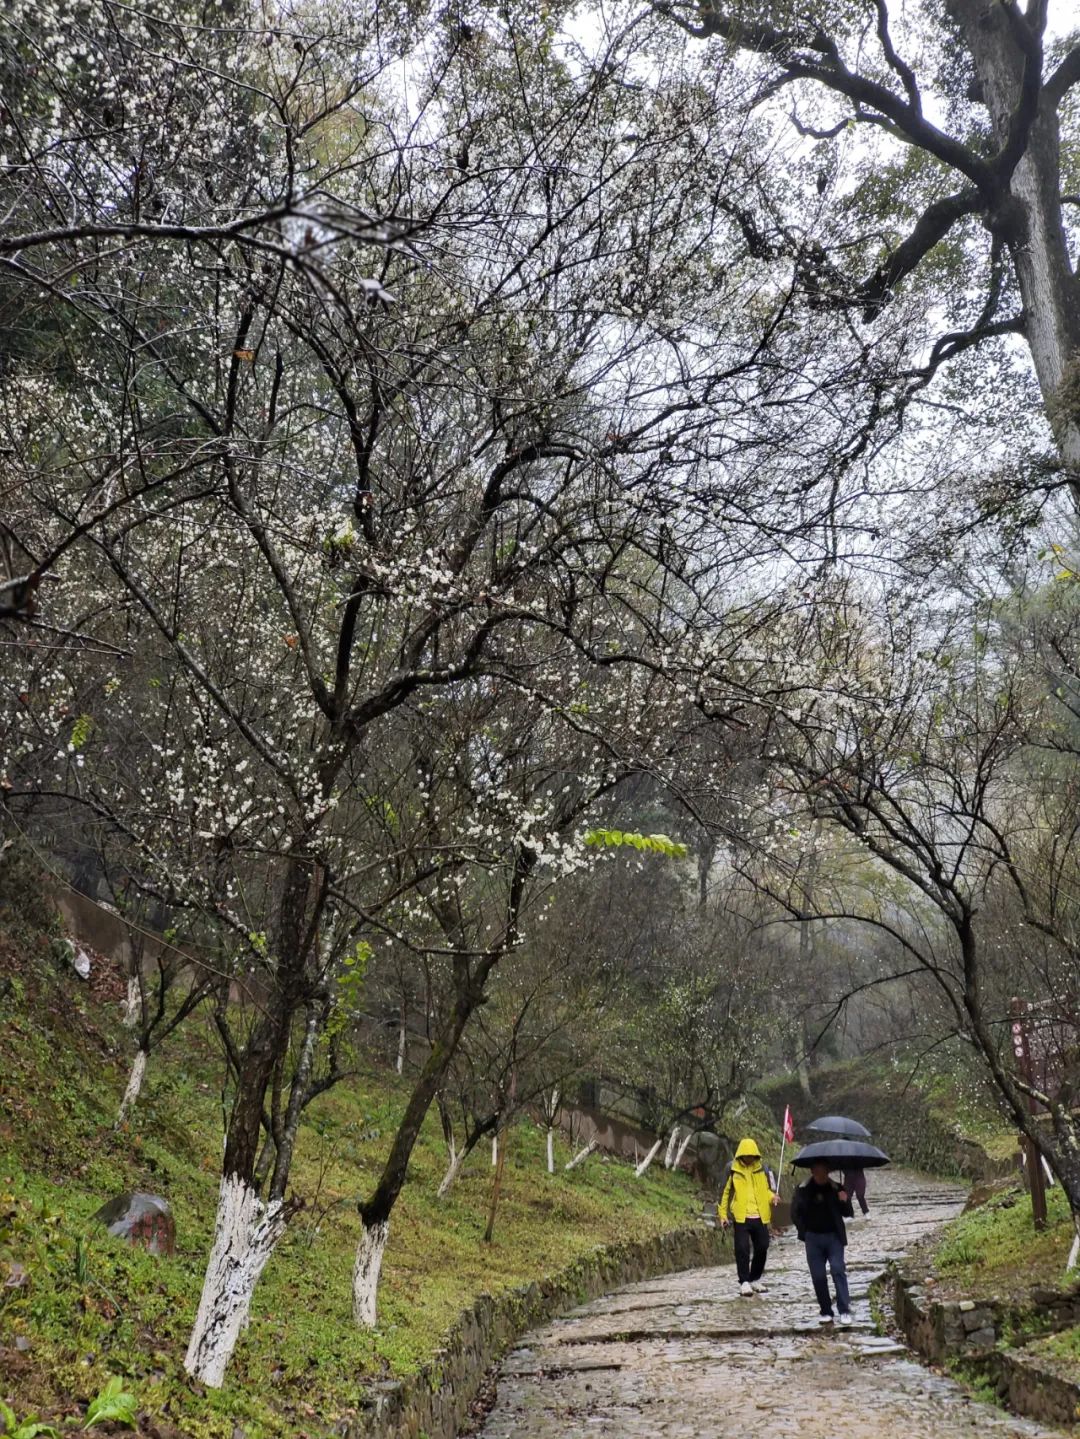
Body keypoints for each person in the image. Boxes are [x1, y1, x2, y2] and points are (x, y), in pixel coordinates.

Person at [791, 1160, 855, 1325]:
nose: (821, 1174)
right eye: (817, 1170)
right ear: (812, 1171)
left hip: (834, 1237)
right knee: (818, 1276)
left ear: (828, 1171)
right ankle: (826, 1310)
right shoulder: (802, 1189)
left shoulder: (836, 1188)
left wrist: (844, 1200)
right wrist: (804, 1232)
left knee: (837, 1269)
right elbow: (795, 1213)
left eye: (824, 1170)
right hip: (813, 1239)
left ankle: (844, 1309)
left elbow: (848, 1213)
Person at [719, 1137, 777, 1297]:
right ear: (741, 1155)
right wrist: (722, 1214)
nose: (750, 1158)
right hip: (741, 1216)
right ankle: (744, 1281)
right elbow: (724, 1193)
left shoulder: (762, 1169)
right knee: (742, 1249)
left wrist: (772, 1197)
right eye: (747, 1155)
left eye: (752, 1155)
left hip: (760, 1215)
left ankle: (755, 1278)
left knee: (763, 1246)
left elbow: (766, 1190)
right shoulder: (732, 1169)